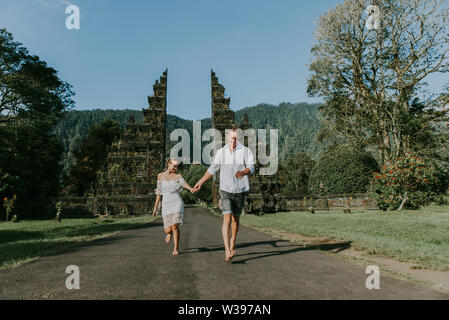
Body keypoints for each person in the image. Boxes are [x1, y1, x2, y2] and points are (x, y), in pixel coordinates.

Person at [193, 126, 255, 262]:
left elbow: (251, 167)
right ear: (227, 137)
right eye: (232, 138)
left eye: (236, 138)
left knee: (235, 220)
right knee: (227, 218)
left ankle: (233, 240)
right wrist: (200, 182)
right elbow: (212, 169)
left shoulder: (245, 151)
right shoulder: (221, 153)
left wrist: (244, 172)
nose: (234, 140)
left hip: (240, 190)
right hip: (225, 190)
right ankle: (227, 250)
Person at [152, 158, 195, 256]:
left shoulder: (178, 176)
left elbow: (184, 184)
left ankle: (176, 248)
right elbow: (159, 193)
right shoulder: (160, 176)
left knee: (175, 225)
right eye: (174, 166)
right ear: (168, 164)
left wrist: (191, 189)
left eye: (177, 166)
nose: (175, 168)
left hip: (176, 202)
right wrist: (155, 208)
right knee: (167, 229)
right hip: (166, 203)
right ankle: (169, 233)